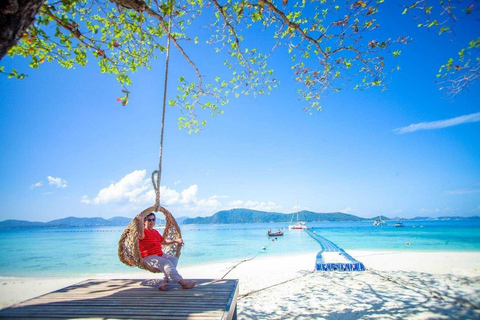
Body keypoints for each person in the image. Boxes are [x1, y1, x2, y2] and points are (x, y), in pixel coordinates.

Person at [136, 212, 196, 291]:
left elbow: (163, 242)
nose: (151, 222)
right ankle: (182, 283)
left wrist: (175, 241)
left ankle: (165, 281)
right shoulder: (143, 232)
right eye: (149, 220)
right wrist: (140, 220)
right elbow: (141, 235)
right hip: (149, 257)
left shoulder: (155, 232)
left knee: (174, 259)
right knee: (166, 263)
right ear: (144, 221)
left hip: (160, 255)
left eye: (153, 219)